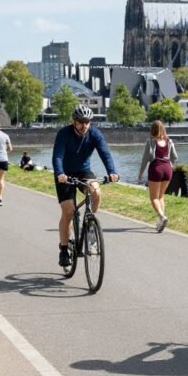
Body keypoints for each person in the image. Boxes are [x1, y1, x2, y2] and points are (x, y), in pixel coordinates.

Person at [52, 104, 119, 268]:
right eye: (81, 122)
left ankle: (90, 224)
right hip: (64, 175)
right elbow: (57, 156)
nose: (84, 125)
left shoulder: (95, 134)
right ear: (74, 121)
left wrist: (112, 171)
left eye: (87, 122)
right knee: (68, 211)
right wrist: (60, 173)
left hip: (83, 171)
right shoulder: (64, 134)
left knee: (96, 191)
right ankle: (63, 248)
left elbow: (105, 153)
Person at [137, 120, 178, 233]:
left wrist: (140, 173)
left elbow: (145, 159)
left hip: (156, 169)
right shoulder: (169, 141)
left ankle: (162, 217)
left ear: (152, 130)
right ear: (163, 129)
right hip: (167, 169)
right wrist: (171, 166)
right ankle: (161, 222)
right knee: (161, 196)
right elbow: (175, 157)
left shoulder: (150, 141)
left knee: (154, 197)